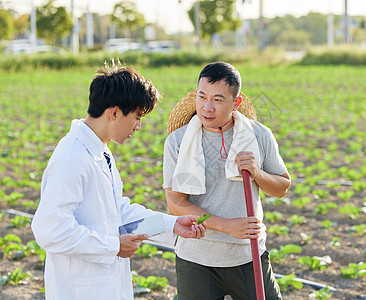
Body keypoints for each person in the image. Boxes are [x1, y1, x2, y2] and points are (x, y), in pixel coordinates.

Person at [31, 61, 206, 300]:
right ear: (114, 112)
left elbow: (118, 213)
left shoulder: (99, 150)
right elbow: (50, 230)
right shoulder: (72, 157)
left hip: (105, 285)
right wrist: (113, 246)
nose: (138, 126)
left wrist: (170, 224)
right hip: (79, 290)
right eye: (136, 117)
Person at [163, 61, 291, 300]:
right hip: (196, 260)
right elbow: (176, 204)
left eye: (218, 100)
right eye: (202, 97)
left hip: (247, 256)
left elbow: (282, 187)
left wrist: (257, 172)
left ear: (236, 103)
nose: (207, 108)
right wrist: (227, 226)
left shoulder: (259, 135)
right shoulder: (177, 142)